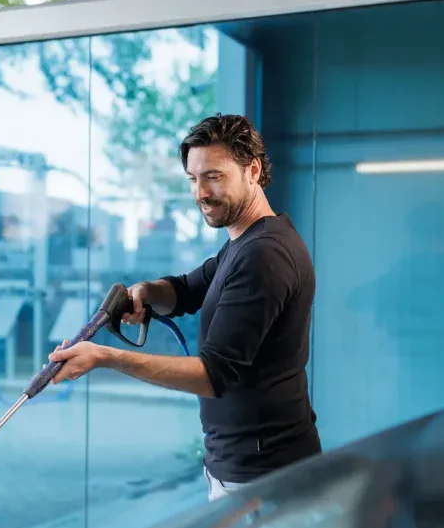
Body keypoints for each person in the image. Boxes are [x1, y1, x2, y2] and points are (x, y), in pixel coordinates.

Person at [48, 113, 321, 501]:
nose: (200, 193)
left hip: (263, 480)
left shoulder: (265, 254)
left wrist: (105, 357)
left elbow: (213, 374)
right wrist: (145, 291)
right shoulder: (246, 243)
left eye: (214, 176)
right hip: (251, 470)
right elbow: (187, 290)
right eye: (193, 179)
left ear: (253, 171)